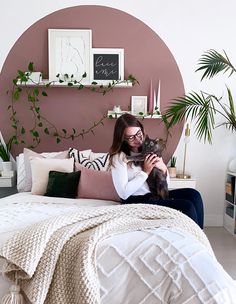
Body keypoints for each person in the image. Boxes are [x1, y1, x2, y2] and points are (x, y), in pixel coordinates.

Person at [109, 113, 204, 229]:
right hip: (136, 201)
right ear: (122, 139)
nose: (138, 139)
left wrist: (163, 168)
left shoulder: (149, 148)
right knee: (187, 206)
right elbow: (123, 194)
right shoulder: (119, 158)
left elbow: (166, 182)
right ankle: (194, 241)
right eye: (131, 137)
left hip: (156, 195)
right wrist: (145, 172)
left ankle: (200, 238)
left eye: (139, 133)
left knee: (193, 195)